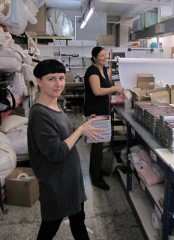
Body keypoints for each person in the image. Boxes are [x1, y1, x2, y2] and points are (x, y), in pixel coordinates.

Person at [28, 59, 103, 240]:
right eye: (51, 79)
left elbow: (65, 136)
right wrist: (80, 130)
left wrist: (82, 125)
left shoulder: (56, 104)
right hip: (56, 184)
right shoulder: (39, 114)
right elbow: (56, 152)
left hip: (70, 179)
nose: (59, 83)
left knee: (78, 221)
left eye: (61, 78)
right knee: (49, 227)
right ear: (38, 81)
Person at [84, 46, 124, 190]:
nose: (105, 57)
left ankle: (96, 171)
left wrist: (114, 97)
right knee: (97, 144)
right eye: (101, 55)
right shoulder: (92, 71)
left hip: (102, 109)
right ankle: (96, 179)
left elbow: (105, 89)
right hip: (94, 111)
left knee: (100, 143)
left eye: (105, 55)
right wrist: (115, 89)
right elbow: (97, 91)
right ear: (94, 57)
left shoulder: (104, 70)